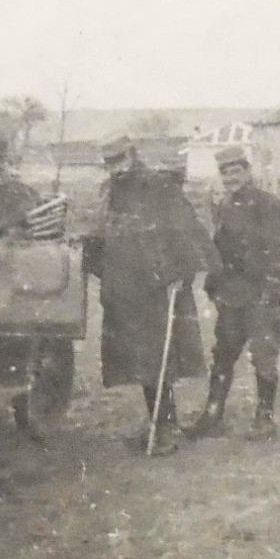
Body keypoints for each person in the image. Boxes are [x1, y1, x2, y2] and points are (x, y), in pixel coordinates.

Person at [82, 136, 218, 455]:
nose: (115, 169)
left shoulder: (159, 186)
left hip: (157, 287)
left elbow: (185, 231)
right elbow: (97, 236)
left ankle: (166, 427)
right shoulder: (109, 192)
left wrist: (178, 275)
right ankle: (156, 421)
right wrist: (96, 266)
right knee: (138, 360)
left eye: (119, 160)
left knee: (160, 356)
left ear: (132, 155)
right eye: (109, 163)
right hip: (123, 289)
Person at [187, 145, 280, 442]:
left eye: (235, 171)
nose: (230, 178)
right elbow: (218, 249)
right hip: (231, 295)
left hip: (260, 294)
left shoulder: (269, 205)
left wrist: (271, 288)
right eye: (225, 173)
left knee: (263, 357)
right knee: (223, 356)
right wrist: (213, 285)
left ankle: (264, 417)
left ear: (247, 171)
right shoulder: (224, 206)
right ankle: (212, 413)